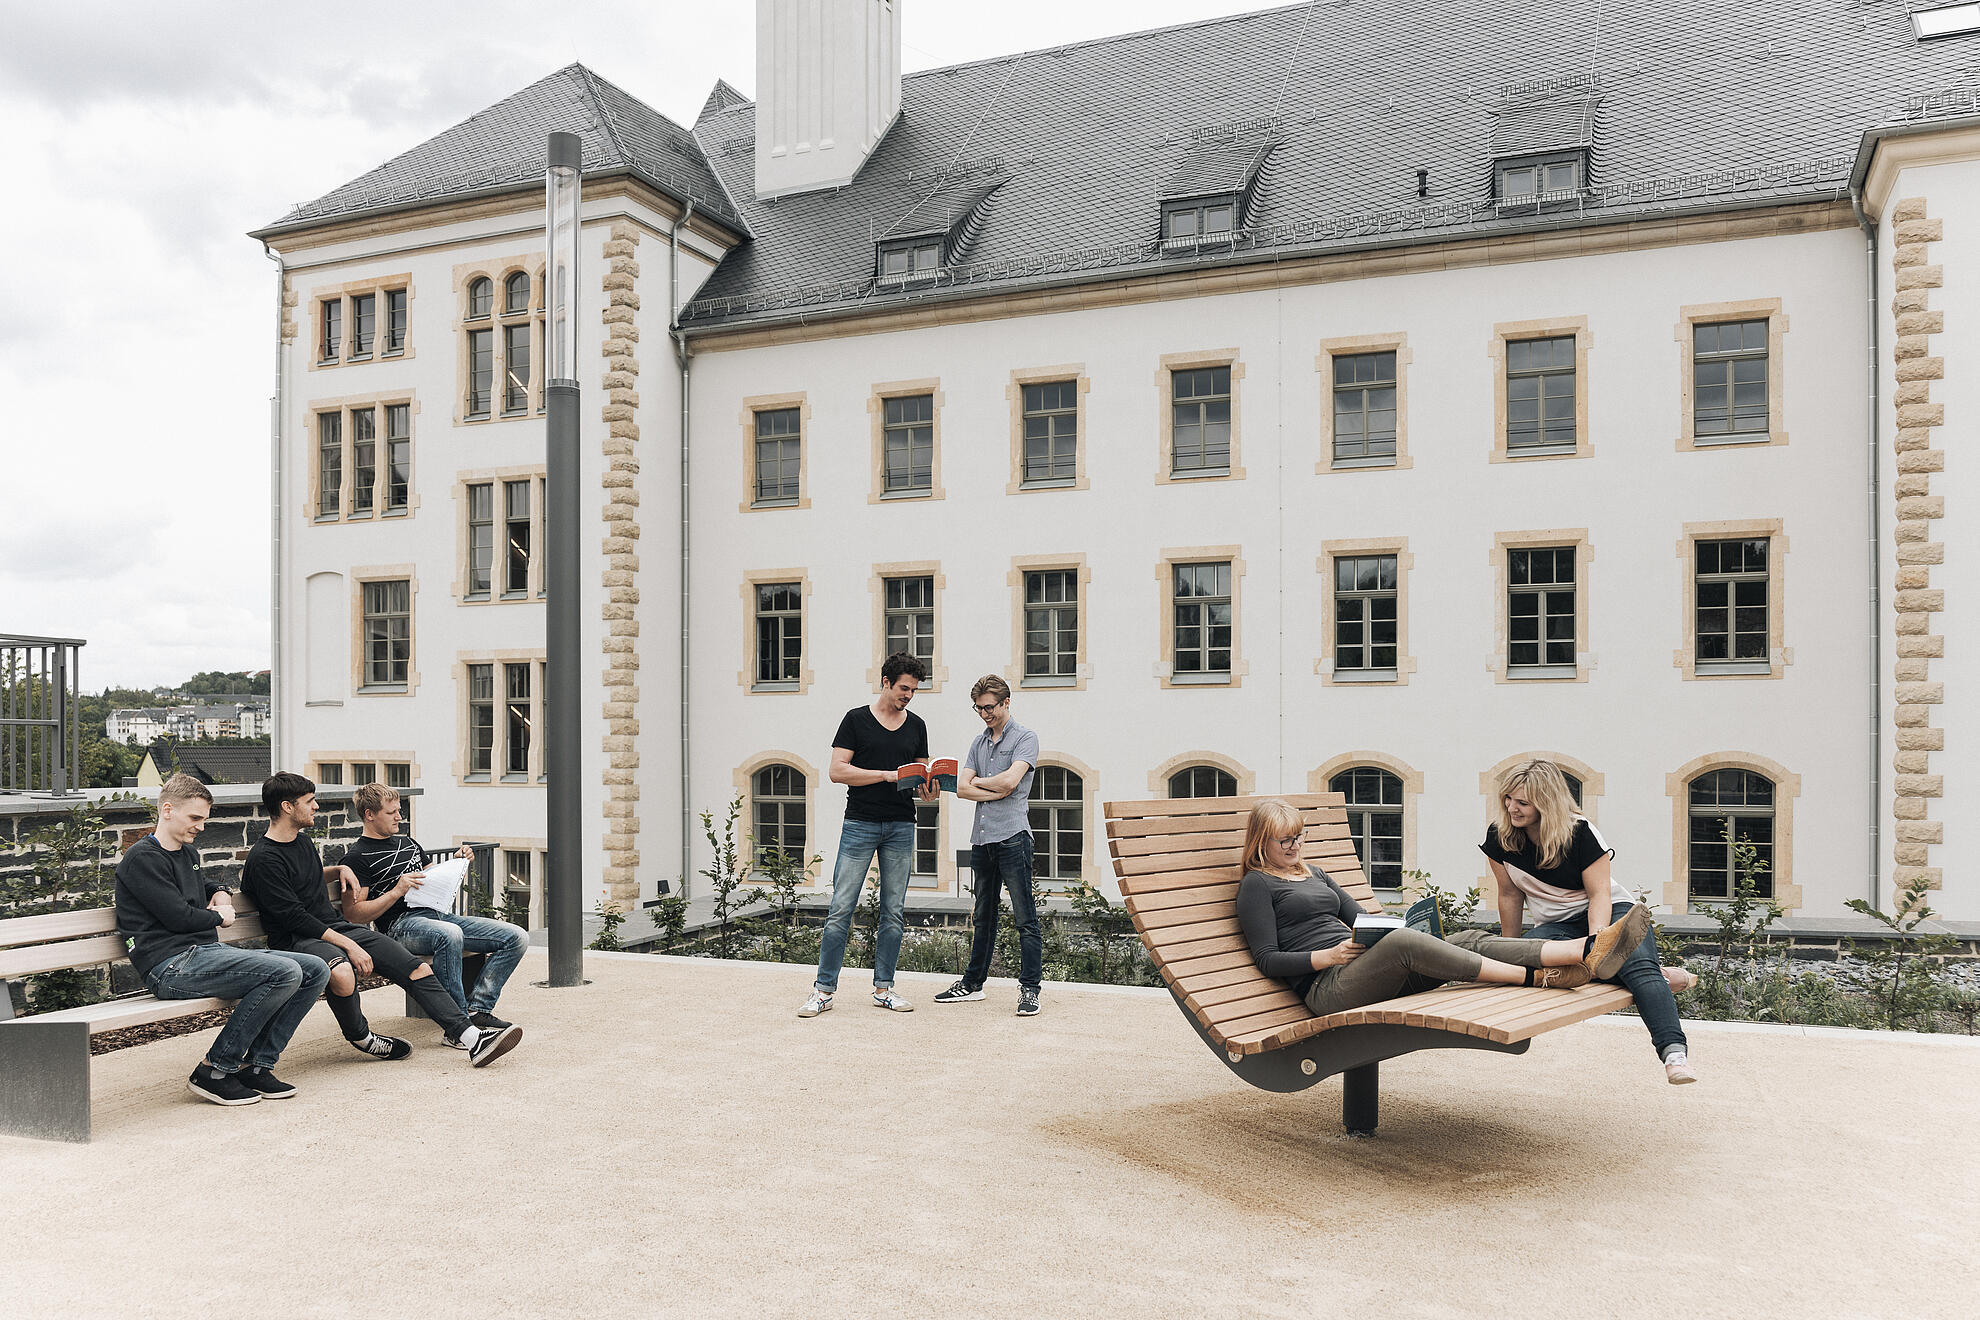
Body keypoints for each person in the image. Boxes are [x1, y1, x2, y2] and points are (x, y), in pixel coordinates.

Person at [1237, 798, 1648, 1023]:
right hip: (1327, 989)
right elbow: (1267, 959)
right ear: (1261, 842)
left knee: (1466, 937)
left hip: (1366, 970)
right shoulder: (1257, 884)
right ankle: (1536, 978)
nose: (1294, 847)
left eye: (1298, 837)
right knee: (1403, 944)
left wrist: (1412, 926)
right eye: (1283, 841)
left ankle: (1587, 948)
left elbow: (1366, 920)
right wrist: (1325, 956)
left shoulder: (1317, 873)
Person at [242, 772, 522, 1068]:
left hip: (333, 928)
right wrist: (350, 945)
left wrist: (336, 870)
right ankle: (362, 1037)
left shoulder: (301, 843)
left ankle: (471, 1038)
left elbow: (302, 879)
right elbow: (293, 916)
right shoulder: (263, 858)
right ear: (287, 806)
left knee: (416, 969)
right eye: (310, 801)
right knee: (343, 973)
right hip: (298, 939)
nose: (316, 807)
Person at [114, 774, 332, 1106]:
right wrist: (220, 916)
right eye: (195, 818)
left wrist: (219, 892)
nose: (200, 826)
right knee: (285, 972)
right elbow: (178, 917)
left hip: (202, 955)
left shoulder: (186, 854)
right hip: (169, 966)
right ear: (168, 809)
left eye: (203, 819)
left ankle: (256, 1067)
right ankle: (214, 1070)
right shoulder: (142, 858)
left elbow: (204, 885)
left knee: (315, 969)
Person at [1482, 758, 1695, 1085]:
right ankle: (1660, 978)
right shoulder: (1501, 837)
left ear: (1546, 801)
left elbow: (1599, 895)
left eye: (1522, 802)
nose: (1512, 807)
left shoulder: (1580, 832)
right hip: (1559, 924)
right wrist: (1508, 948)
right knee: (1532, 970)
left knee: (1638, 968)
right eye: (1508, 799)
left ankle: (1673, 1054)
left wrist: (1600, 942)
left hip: (1611, 911)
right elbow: (1509, 895)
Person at [800, 652, 939, 1018]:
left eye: (914, 690)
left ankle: (884, 988)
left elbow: (919, 775)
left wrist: (928, 789)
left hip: (901, 824)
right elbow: (837, 771)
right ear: (885, 683)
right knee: (841, 908)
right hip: (860, 823)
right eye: (903, 688)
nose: (908, 695)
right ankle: (823, 991)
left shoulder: (917, 726)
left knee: (893, 911)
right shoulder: (856, 720)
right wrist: (886, 775)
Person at [339, 782, 527, 1031]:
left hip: (439, 916)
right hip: (400, 927)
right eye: (391, 812)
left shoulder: (408, 844)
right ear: (369, 815)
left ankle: (478, 1009)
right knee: (449, 934)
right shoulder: (356, 858)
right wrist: (397, 890)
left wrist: (456, 864)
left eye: (399, 810)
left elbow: (432, 878)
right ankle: (459, 1027)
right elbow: (353, 913)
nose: (399, 817)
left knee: (516, 937)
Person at [934, 675, 1044, 1016]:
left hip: (1013, 838)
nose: (984, 714)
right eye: (979, 708)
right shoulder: (978, 744)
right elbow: (962, 790)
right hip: (982, 840)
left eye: (990, 707)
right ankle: (972, 984)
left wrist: (980, 782)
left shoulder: (1026, 738)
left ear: (1006, 703)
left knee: (1025, 919)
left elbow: (1011, 782)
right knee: (983, 916)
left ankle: (1029, 990)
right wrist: (990, 787)